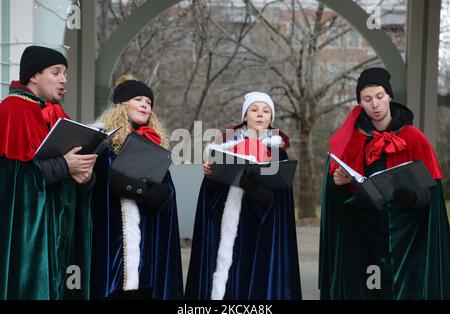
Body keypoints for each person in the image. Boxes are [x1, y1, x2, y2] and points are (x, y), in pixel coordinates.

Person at [319, 67, 450, 300]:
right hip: (362, 241)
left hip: (405, 243)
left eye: (379, 96)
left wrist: (410, 196)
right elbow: (337, 203)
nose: (375, 105)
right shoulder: (351, 140)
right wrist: (337, 184)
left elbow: (431, 201)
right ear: (360, 102)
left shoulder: (413, 139)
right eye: (367, 99)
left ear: (389, 96)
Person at [0, 45, 97, 299]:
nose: (64, 79)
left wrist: (85, 178)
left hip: (58, 237)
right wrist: (65, 166)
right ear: (34, 76)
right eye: (56, 72)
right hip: (29, 246)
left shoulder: (57, 114)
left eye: (65, 73)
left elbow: (71, 168)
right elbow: (12, 182)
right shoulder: (11, 111)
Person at [185, 92, 302, 300]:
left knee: (252, 285)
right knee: (227, 284)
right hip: (225, 229)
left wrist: (253, 186)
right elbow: (210, 198)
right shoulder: (225, 147)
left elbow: (279, 203)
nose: (260, 115)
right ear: (245, 116)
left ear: (271, 119)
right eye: (254, 110)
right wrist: (210, 176)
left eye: (266, 111)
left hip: (259, 232)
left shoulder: (277, 152)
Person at [90, 75, 183, 300]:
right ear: (123, 104)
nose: (144, 105)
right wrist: (129, 185)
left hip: (146, 241)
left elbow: (166, 189)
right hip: (112, 242)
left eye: (149, 102)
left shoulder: (152, 144)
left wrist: (158, 193)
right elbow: (98, 182)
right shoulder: (103, 141)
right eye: (138, 99)